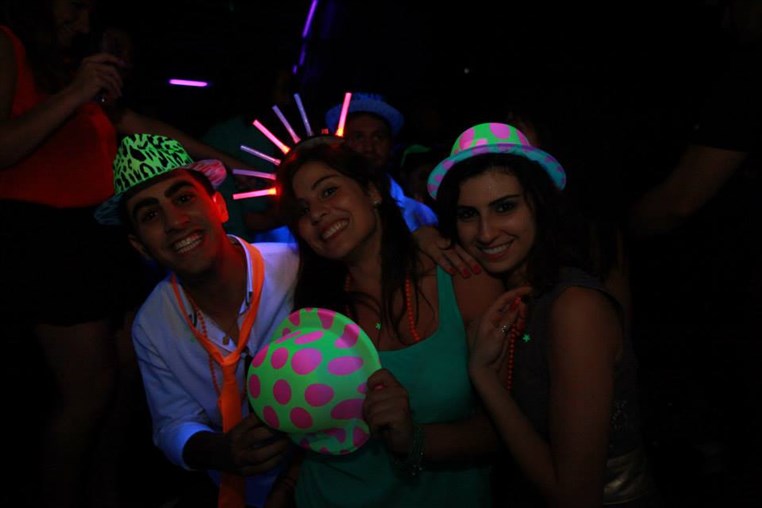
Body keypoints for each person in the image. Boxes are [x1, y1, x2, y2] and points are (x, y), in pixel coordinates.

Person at [0, 2, 274, 506]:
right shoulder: (8, 43)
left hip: (101, 234)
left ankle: (105, 493)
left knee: (124, 380)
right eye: (76, 5)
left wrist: (243, 170)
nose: (84, 24)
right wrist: (76, 92)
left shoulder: (64, 66)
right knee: (88, 393)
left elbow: (141, 126)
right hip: (49, 238)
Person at [430, 122, 660, 507]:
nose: (485, 233)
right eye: (468, 214)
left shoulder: (575, 308)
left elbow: (576, 496)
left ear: (541, 204)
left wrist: (482, 375)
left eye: (504, 207)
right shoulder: (515, 295)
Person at [274, 139, 507, 507]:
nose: (317, 213)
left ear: (372, 191)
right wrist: (287, 482)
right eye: (302, 210)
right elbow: (315, 432)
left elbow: (512, 424)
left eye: (329, 191)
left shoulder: (461, 278)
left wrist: (414, 439)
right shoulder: (313, 317)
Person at [94, 133, 299, 508]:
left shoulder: (294, 270)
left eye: (184, 198)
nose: (174, 221)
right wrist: (219, 450)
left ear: (219, 206)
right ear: (140, 246)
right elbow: (172, 423)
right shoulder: (152, 325)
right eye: (151, 215)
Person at [325, 91, 482, 278]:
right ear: (342, 142)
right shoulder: (323, 213)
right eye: (358, 137)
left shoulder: (420, 214)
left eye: (378, 137)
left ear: (390, 144)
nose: (369, 147)